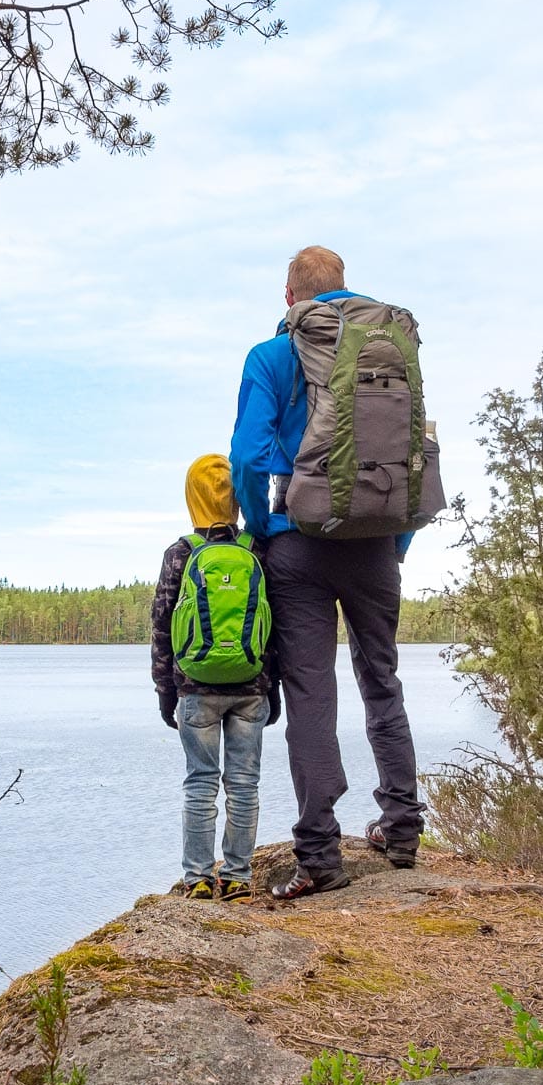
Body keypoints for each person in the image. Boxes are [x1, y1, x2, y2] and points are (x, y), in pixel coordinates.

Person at [229, 246, 424, 900]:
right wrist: (392, 543)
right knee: (382, 679)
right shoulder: (388, 346)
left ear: (291, 298)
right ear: (345, 288)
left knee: (313, 692)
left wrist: (263, 527)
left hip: (298, 544)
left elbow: (250, 459)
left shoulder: (273, 354)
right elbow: (410, 452)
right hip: (374, 541)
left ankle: (319, 855)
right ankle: (401, 827)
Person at [151, 454, 280, 901]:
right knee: (244, 784)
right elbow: (273, 625)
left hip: (195, 690)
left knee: (200, 783)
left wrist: (165, 692)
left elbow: (162, 630)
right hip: (250, 688)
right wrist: (272, 686)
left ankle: (199, 878)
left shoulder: (180, 553)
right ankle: (239, 878)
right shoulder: (253, 550)